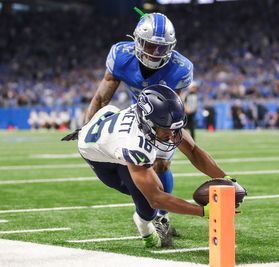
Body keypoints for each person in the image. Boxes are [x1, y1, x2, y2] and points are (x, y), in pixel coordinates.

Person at [63, 12, 193, 232]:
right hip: (135, 113)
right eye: (149, 46)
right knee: (139, 164)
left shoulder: (180, 67)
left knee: (161, 162)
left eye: (161, 48)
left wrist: (165, 135)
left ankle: (162, 216)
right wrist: (87, 126)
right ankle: (147, 204)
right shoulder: (122, 56)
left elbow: (173, 109)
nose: (154, 53)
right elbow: (102, 98)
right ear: (137, 41)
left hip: (163, 116)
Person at [78, 85, 233, 248]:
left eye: (175, 128)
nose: (172, 135)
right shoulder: (133, 144)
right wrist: (205, 212)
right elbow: (156, 199)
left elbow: (193, 151)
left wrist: (226, 179)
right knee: (147, 200)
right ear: (148, 123)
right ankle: (143, 226)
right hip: (97, 153)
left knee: (155, 181)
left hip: (111, 123)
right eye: (166, 129)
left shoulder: (157, 119)